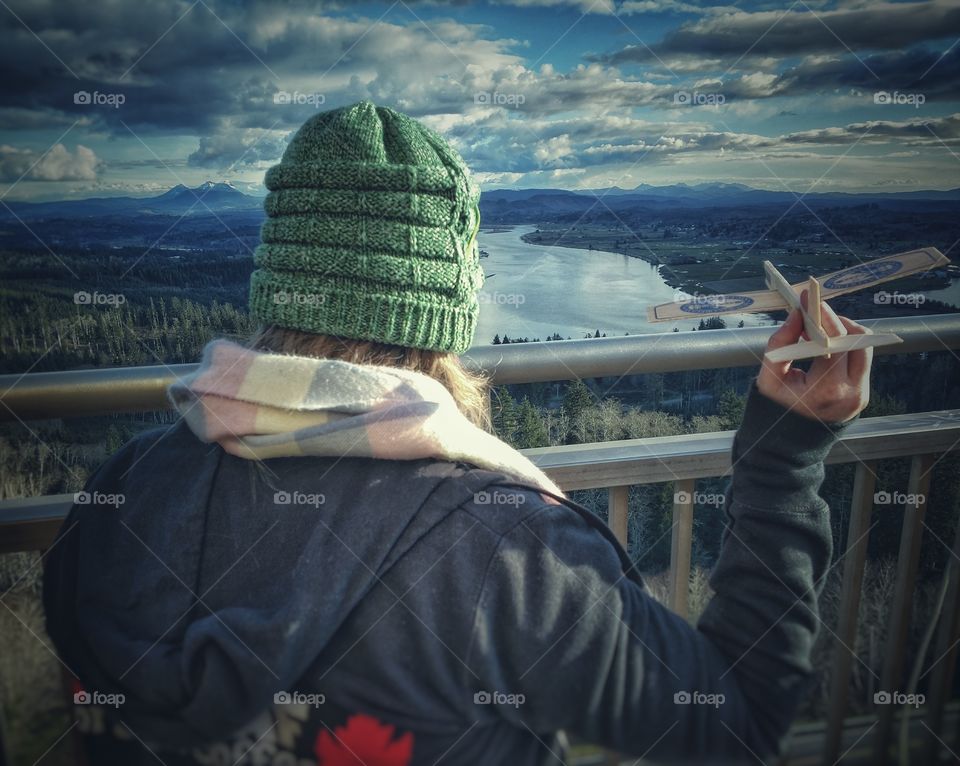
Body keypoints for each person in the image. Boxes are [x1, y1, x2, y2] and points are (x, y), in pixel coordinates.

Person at [43, 100, 872, 766]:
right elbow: (738, 720)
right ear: (445, 306)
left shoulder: (126, 490)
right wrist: (787, 448)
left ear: (279, 282)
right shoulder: (510, 553)